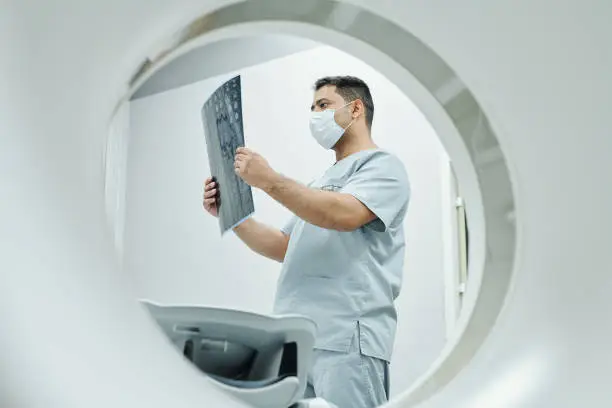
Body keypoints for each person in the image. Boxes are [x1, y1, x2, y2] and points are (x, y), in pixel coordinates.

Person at [202, 76, 410, 408]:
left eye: (323, 106)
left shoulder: (383, 167)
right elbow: (284, 245)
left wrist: (269, 180)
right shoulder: (321, 183)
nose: (315, 115)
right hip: (297, 340)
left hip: (346, 340)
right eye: (312, 107)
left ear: (356, 108)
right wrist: (232, 215)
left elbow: (343, 216)